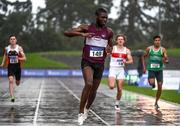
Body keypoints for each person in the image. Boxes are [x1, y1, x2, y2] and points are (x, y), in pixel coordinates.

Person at [64, 8, 113, 125]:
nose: (105, 20)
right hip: (87, 62)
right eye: (102, 17)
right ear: (96, 17)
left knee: (94, 90)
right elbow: (67, 32)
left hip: (100, 64)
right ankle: (80, 112)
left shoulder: (109, 31)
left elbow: (110, 45)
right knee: (89, 83)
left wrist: (109, 49)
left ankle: (87, 109)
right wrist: (82, 34)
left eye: (106, 18)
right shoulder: (86, 27)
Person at [142, 35, 168, 109]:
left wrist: (165, 60)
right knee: (152, 83)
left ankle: (156, 102)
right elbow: (143, 57)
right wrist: (144, 67)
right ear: (154, 41)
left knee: (160, 86)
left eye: (158, 40)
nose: (157, 42)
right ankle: (151, 82)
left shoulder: (163, 49)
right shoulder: (149, 49)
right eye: (156, 40)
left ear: (160, 41)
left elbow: (166, 59)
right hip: (151, 69)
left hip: (159, 70)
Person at [108, 34, 133, 111]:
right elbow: (106, 54)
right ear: (116, 41)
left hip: (121, 70)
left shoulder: (127, 50)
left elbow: (131, 61)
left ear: (124, 41)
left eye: (122, 39)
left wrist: (126, 61)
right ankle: (114, 82)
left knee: (120, 89)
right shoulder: (113, 48)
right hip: (113, 69)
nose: (120, 40)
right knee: (112, 86)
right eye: (119, 39)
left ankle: (117, 104)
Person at [0, 35, 26, 102]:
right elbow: (5, 55)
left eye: (14, 39)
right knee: (11, 80)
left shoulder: (19, 48)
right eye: (11, 39)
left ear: (16, 40)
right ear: (9, 41)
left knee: (17, 83)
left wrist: (18, 58)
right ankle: (12, 97)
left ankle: (17, 80)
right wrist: (3, 63)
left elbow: (24, 58)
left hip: (18, 67)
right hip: (10, 67)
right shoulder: (7, 48)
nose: (12, 40)